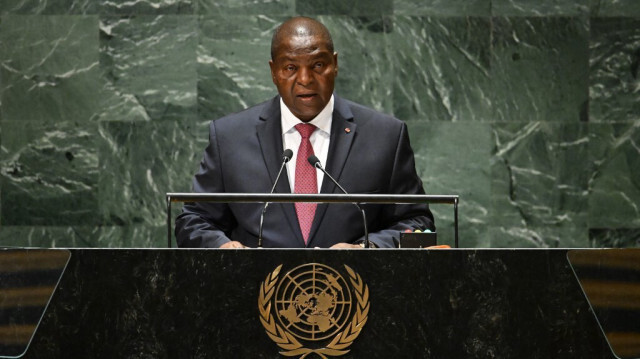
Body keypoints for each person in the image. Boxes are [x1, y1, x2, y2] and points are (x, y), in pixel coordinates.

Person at [175, 16, 435, 248]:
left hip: (354, 294)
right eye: (290, 68)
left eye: (318, 65)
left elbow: (418, 222)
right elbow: (195, 220)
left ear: (335, 65)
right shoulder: (229, 137)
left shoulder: (385, 136)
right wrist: (223, 248)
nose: (305, 79)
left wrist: (367, 249)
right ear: (274, 71)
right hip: (255, 294)